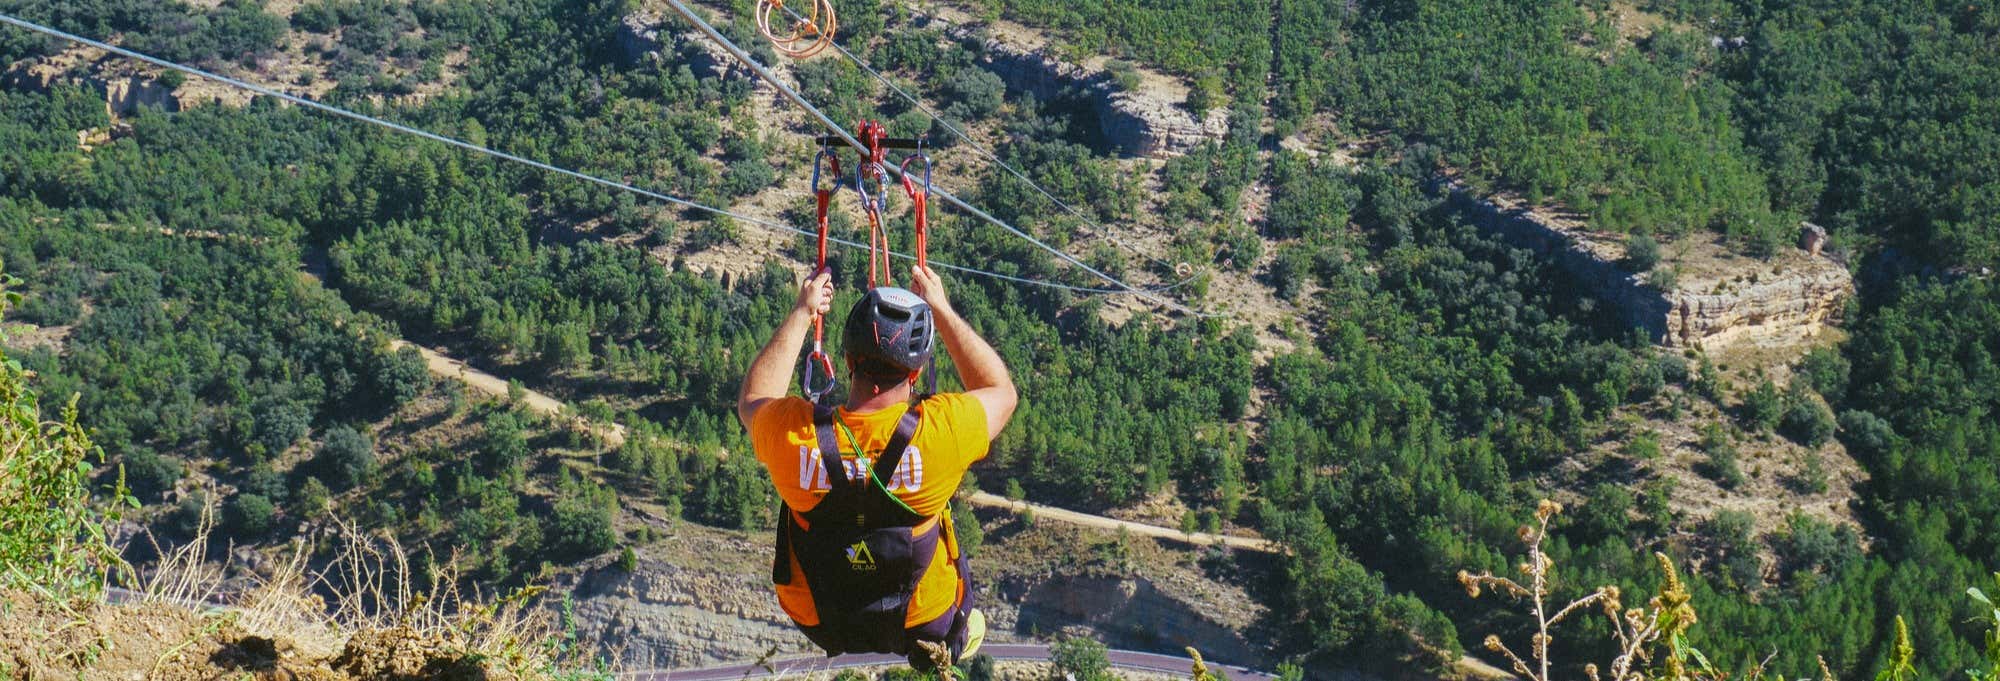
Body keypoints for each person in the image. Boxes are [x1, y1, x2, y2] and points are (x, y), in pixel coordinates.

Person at [737, 264, 1018, 671]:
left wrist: (803, 312)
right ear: (917, 370)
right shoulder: (942, 431)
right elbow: (1002, 394)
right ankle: (946, 644)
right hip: (923, 620)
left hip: (819, 617)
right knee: (964, 612)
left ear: (847, 359)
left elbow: (753, 401)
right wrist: (941, 309)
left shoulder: (793, 435)